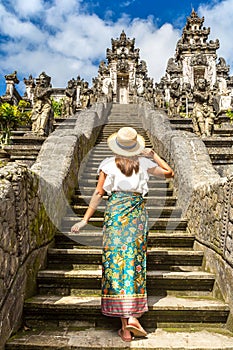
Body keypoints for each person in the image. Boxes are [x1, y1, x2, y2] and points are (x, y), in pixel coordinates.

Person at [71, 127, 174, 342]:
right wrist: (153, 155)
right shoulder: (144, 163)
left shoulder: (108, 164)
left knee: (115, 264)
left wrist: (85, 220)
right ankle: (133, 316)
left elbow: (99, 192)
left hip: (116, 214)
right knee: (134, 262)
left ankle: (126, 328)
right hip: (136, 214)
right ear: (135, 146)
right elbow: (169, 173)